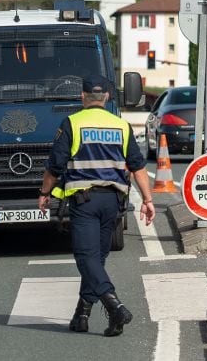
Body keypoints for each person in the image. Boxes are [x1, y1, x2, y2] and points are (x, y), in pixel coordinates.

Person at [38, 74, 155, 337]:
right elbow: (137, 167)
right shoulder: (120, 125)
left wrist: (44, 192)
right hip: (113, 202)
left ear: (82, 97)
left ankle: (115, 307)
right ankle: (82, 315)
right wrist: (148, 201)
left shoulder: (72, 124)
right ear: (107, 98)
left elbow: (54, 166)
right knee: (97, 259)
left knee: (86, 258)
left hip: (85, 202)